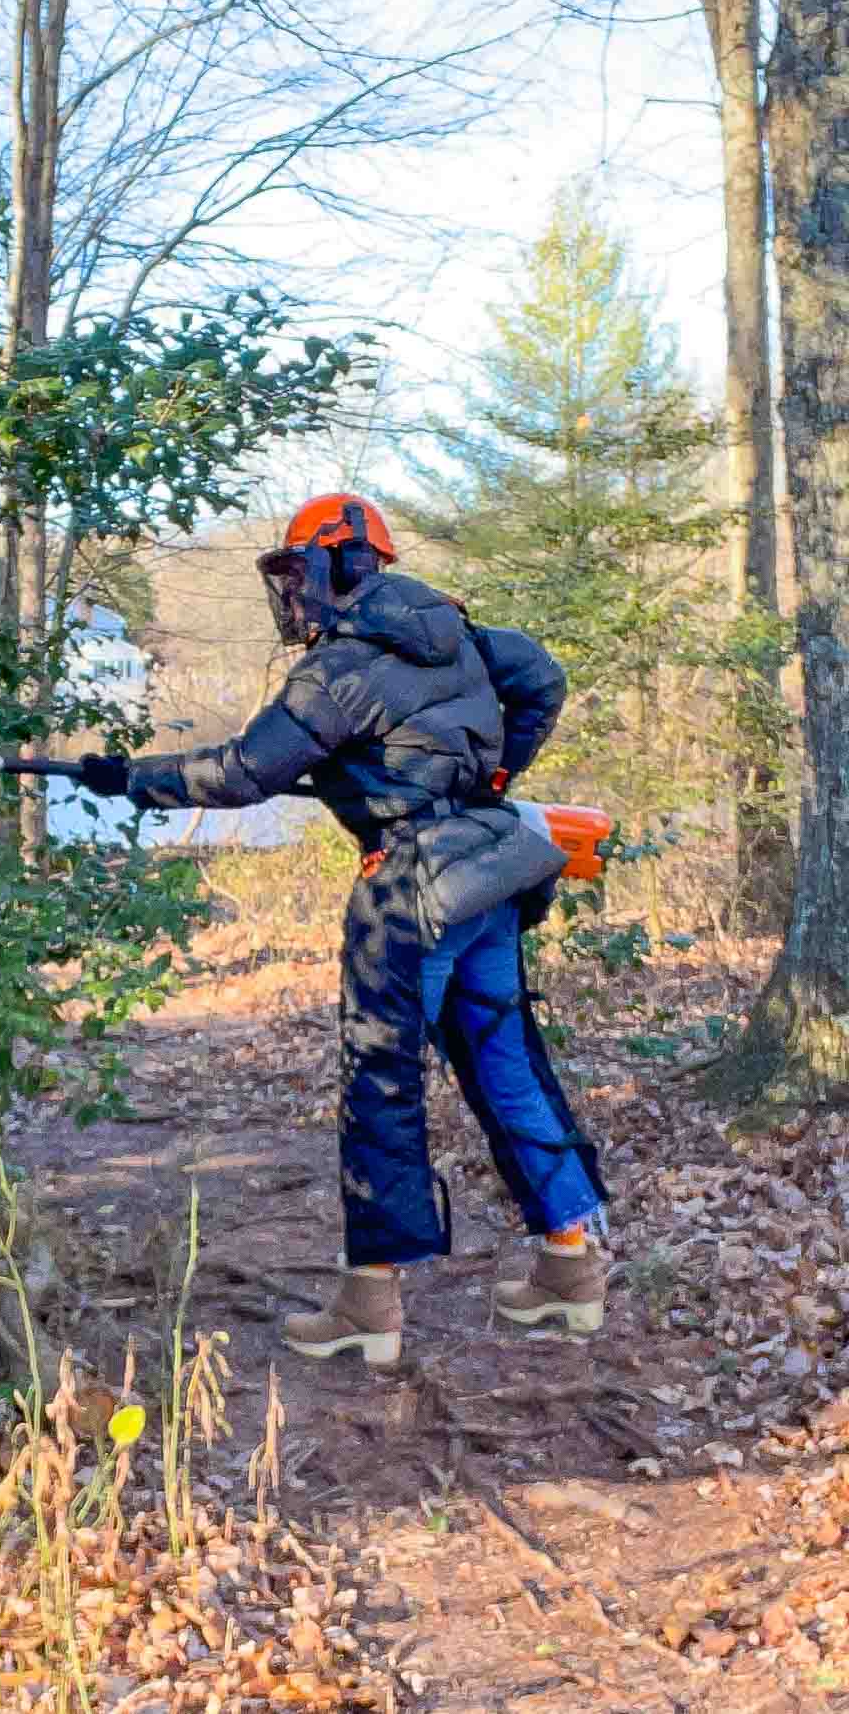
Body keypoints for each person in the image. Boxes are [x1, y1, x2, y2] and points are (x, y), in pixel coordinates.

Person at [78, 494, 608, 1367]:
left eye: (298, 572)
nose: (292, 595)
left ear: (342, 565)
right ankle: (569, 1264)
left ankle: (372, 1299)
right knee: (507, 1059)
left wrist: (131, 777)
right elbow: (538, 677)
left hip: (412, 885)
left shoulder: (342, 670)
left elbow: (245, 771)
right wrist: (488, 769)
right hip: (495, 864)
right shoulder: (461, 635)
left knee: (382, 1081)